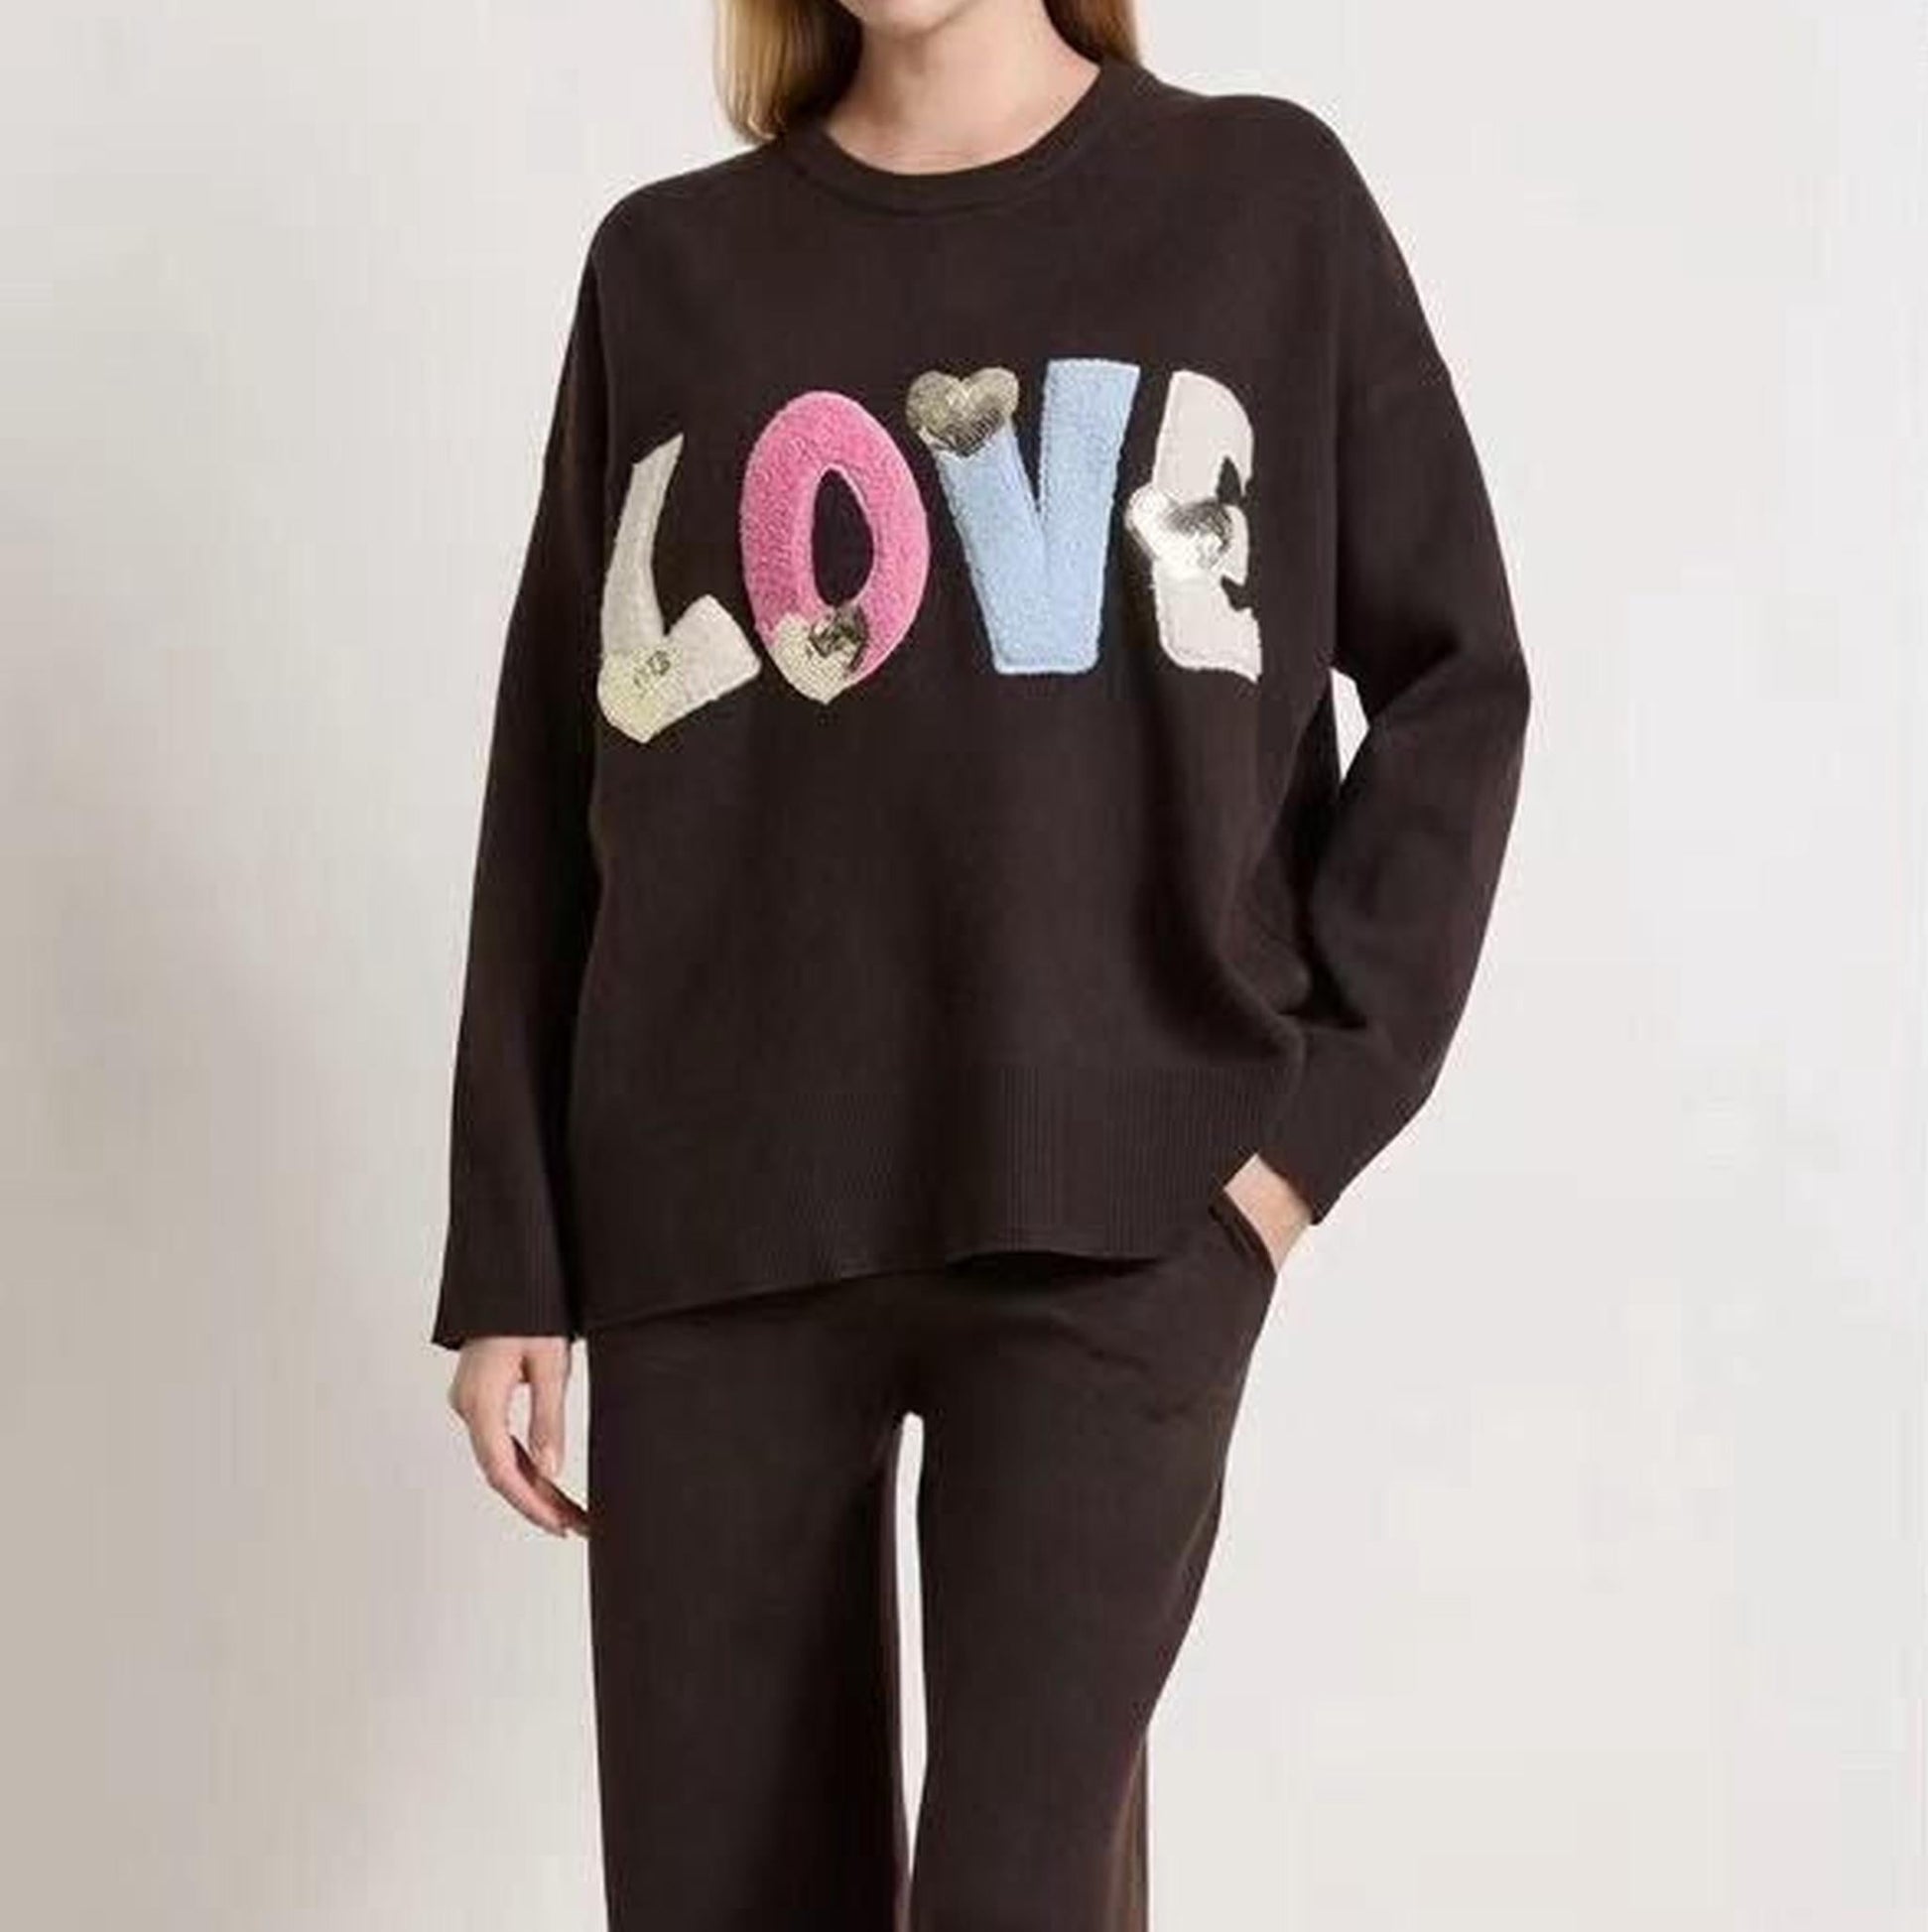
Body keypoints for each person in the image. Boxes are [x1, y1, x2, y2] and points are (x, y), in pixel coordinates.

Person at [433, 0, 1530, 1925]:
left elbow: (1456, 681)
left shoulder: (1260, 204)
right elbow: (555, 777)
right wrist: (512, 1252)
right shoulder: (666, 270)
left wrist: (1290, 1155)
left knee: (1018, 1894)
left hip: (1118, 1219)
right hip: (712, 1225)